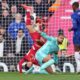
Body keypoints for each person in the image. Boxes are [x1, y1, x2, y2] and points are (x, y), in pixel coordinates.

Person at [68, 2, 80, 73]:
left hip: (77, 34)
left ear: (74, 6)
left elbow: (75, 26)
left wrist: (71, 29)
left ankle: (78, 68)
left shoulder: (74, 15)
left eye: (72, 7)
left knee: (76, 50)